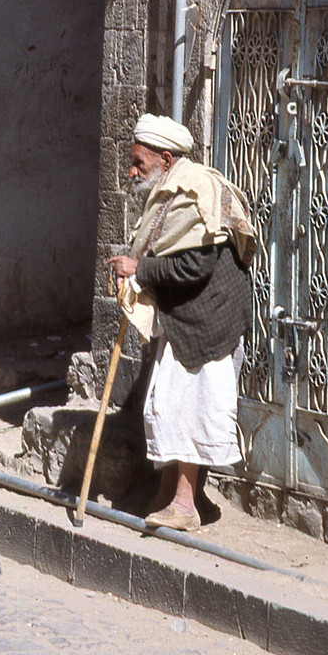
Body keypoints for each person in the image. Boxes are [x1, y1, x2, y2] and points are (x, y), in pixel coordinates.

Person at [106, 114, 255, 532]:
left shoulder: (195, 193)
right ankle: (176, 496)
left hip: (207, 322)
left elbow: (195, 264)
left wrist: (140, 268)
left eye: (138, 162)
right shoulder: (170, 192)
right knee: (168, 408)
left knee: (186, 411)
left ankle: (185, 505)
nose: (131, 171)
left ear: (166, 159)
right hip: (186, 317)